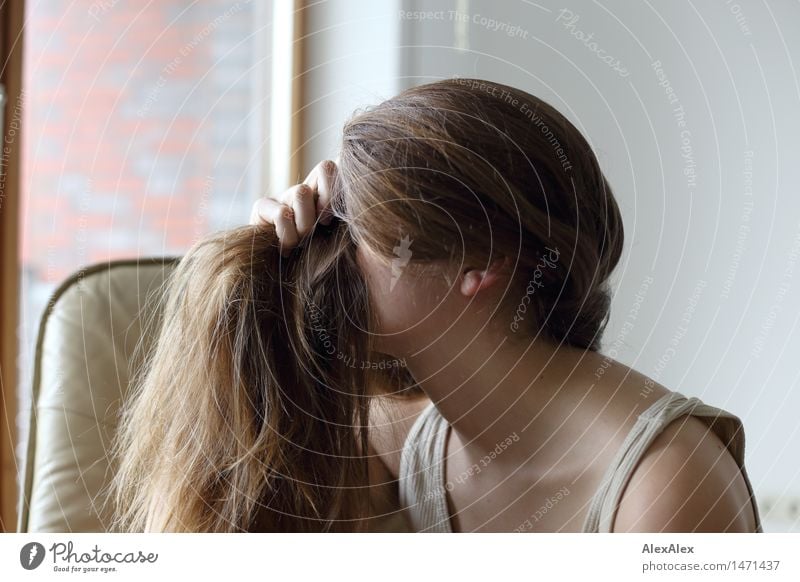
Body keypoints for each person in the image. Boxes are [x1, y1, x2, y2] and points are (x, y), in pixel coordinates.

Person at [109, 78, 762, 533]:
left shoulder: (666, 490)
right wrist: (261, 267)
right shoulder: (415, 438)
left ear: (478, 266)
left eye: (357, 228)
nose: (329, 252)